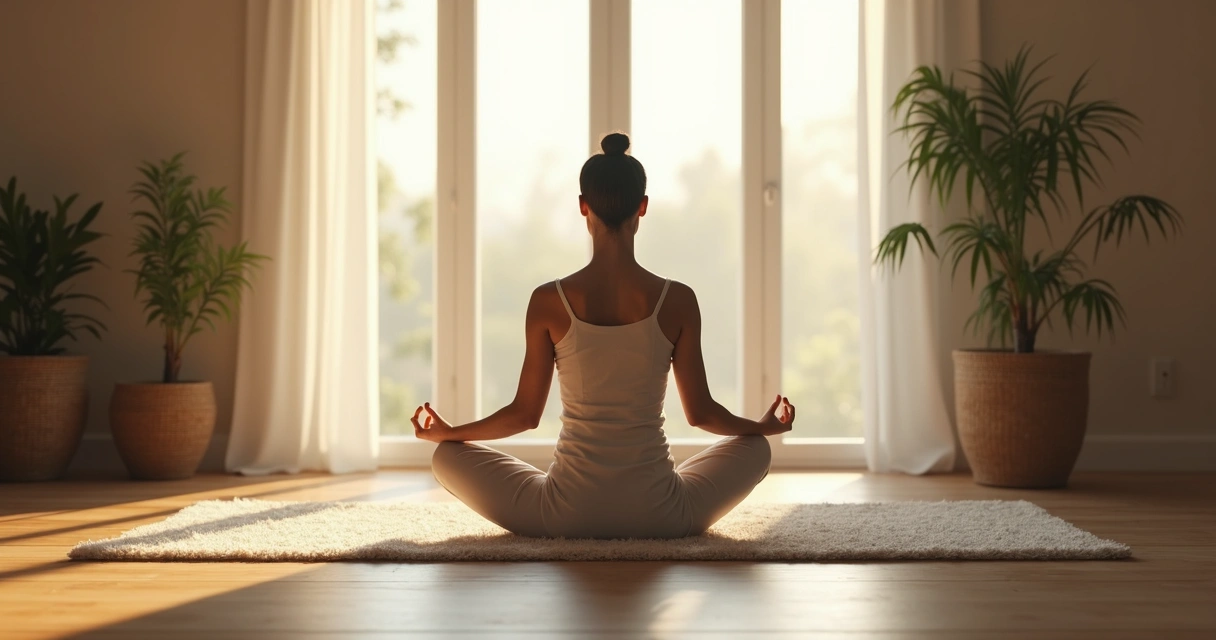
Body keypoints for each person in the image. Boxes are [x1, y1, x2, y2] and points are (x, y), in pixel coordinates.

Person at [412, 132, 795, 539]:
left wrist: (449, 434)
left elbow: (524, 415)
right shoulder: (678, 300)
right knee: (755, 449)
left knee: (445, 458)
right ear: (642, 208)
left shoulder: (548, 300)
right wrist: (761, 427)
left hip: (563, 514)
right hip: (663, 514)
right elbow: (701, 414)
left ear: (584, 207)